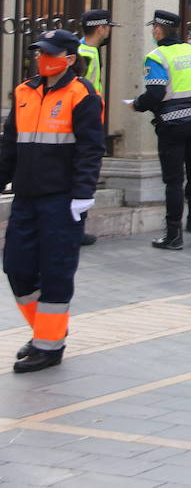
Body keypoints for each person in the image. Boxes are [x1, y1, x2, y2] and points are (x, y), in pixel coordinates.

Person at [0, 30, 104, 372]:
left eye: (49, 53)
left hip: (61, 200)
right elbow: (9, 145)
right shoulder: (24, 91)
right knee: (16, 267)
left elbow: (91, 148)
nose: (41, 58)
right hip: (26, 197)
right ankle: (48, 329)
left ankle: (49, 345)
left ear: (69, 58)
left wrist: (83, 194)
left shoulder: (83, 95)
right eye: (39, 53)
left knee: (56, 271)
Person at [133, 11, 191, 250]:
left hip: (172, 125)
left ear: (158, 30)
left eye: (153, 28)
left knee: (174, 182)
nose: (152, 32)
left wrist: (138, 104)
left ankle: (174, 235)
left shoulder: (157, 57)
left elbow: (155, 93)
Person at [76, 9, 118, 248]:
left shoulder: (88, 51)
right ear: (101, 28)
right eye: (108, 26)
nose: (109, 31)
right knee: (84, 174)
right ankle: (77, 227)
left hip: (89, 121)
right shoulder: (85, 54)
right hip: (85, 124)